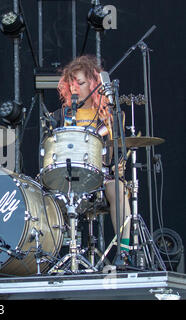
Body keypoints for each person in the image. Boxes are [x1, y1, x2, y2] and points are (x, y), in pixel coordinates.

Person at [53, 54, 131, 258]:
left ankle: (125, 251)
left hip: (100, 174)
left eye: (80, 82)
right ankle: (46, 256)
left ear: (95, 84)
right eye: (71, 83)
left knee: (118, 188)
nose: (74, 88)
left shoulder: (112, 115)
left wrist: (112, 131)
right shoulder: (60, 115)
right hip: (67, 174)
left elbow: (119, 152)